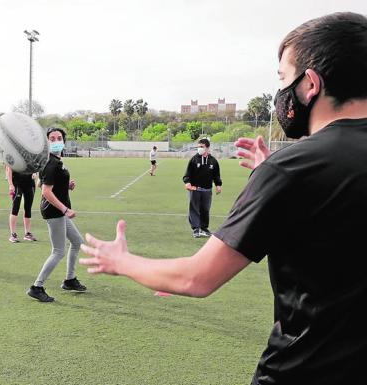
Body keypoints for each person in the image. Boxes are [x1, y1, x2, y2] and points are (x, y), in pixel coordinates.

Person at [79, 12, 367, 385]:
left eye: (284, 79)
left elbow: (197, 279)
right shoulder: (291, 172)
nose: (282, 93)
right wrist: (276, 175)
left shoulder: (293, 169)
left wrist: (121, 260)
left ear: (310, 83)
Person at [27, 127, 86, 302]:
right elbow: (45, 191)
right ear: (47, 142)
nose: (55, 141)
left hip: (57, 211)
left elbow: (41, 184)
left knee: (77, 241)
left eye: (58, 138)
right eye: (51, 139)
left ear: (64, 141)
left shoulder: (55, 160)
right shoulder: (51, 162)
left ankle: (69, 280)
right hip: (54, 212)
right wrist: (65, 209)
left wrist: (67, 186)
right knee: (58, 251)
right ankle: (37, 287)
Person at [182, 138, 222, 238]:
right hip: (195, 189)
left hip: (207, 190)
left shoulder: (213, 161)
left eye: (202, 147)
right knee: (194, 209)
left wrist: (218, 185)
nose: (199, 149)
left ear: (207, 148)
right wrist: (187, 182)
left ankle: (204, 228)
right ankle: (196, 229)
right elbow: (187, 174)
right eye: (198, 147)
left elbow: (216, 175)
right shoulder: (194, 159)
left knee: (205, 209)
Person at [5, 165, 37, 243]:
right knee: (15, 208)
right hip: (17, 183)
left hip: (29, 183)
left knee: (28, 208)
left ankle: (27, 233)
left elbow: (35, 166)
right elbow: (8, 168)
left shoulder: (30, 154)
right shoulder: (15, 154)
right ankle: (13, 234)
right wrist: (10, 184)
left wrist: (35, 173)